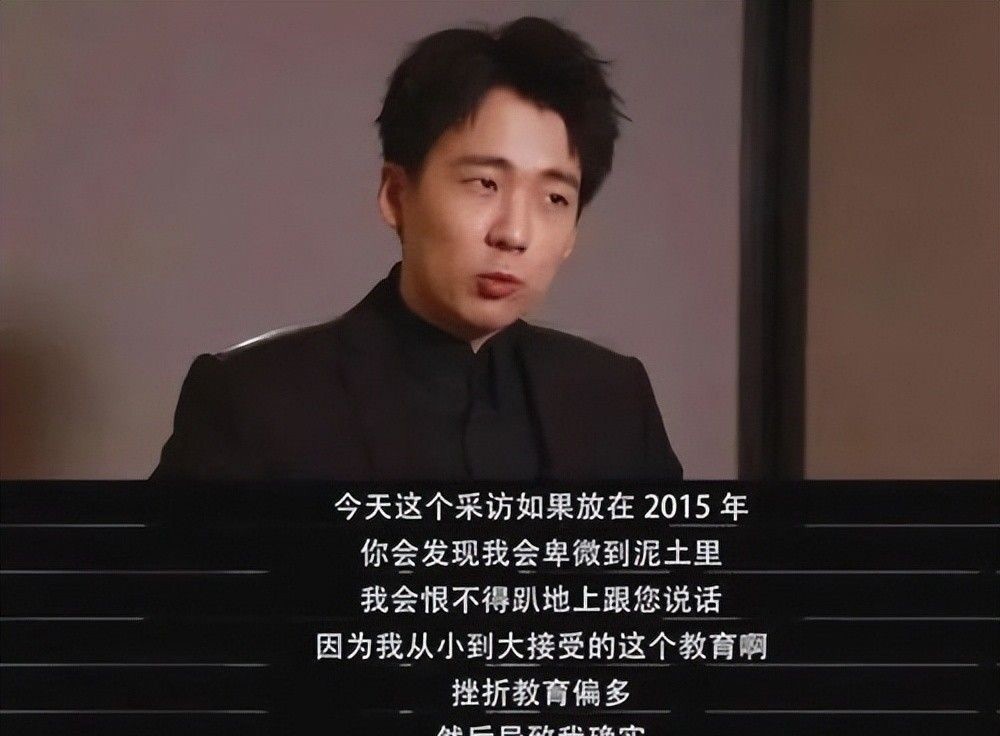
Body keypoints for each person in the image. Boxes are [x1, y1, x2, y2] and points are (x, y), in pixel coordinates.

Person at [151, 17, 682, 481]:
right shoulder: (254, 400)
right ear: (395, 195)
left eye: (555, 198)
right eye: (485, 184)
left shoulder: (615, 401)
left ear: (572, 233)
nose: (514, 233)